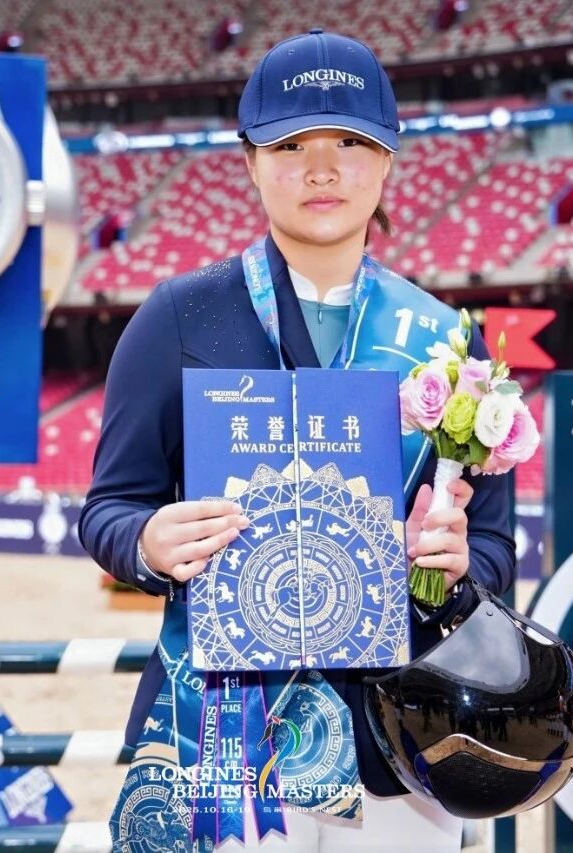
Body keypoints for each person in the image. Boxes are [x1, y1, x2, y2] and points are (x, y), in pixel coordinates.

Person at [79, 29, 516, 852]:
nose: (322, 168)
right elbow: (109, 509)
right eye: (290, 144)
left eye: (349, 142)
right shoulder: (176, 318)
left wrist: (459, 565)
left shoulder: (448, 342)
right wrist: (148, 541)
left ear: (387, 160)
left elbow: (494, 549)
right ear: (250, 160)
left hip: (400, 746)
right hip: (220, 740)